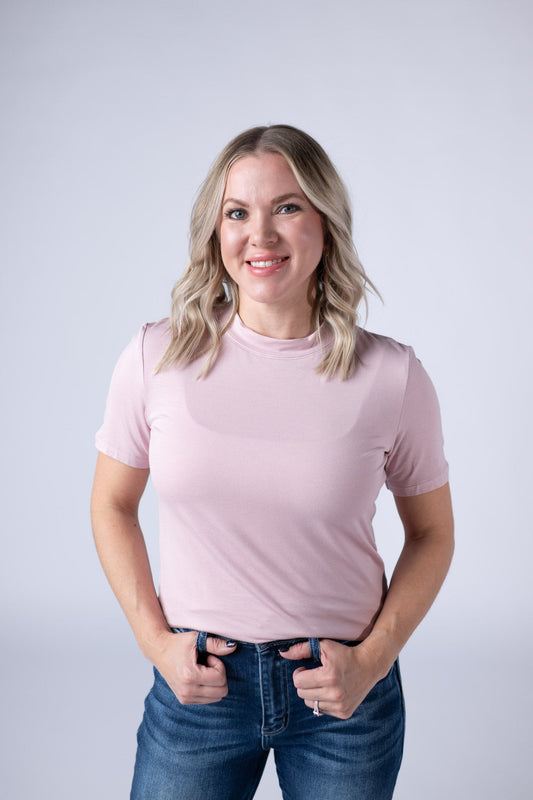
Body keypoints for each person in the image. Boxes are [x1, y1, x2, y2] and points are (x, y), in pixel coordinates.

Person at [91, 124, 454, 800]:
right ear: (215, 231)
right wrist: (154, 642)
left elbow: (432, 533)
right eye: (237, 212)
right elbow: (112, 503)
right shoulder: (155, 357)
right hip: (199, 687)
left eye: (286, 207)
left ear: (325, 222)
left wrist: (373, 661)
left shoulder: (391, 375)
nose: (259, 235)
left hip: (340, 695)